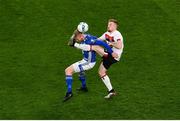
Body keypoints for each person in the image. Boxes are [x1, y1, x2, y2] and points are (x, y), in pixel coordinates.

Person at [74, 19, 124, 99]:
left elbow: (119, 46)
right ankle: (111, 91)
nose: (108, 25)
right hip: (109, 54)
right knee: (101, 72)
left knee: (96, 48)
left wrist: (110, 44)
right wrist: (87, 37)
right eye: (108, 24)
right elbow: (97, 40)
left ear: (115, 26)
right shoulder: (107, 34)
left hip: (114, 56)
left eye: (110, 24)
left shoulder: (117, 34)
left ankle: (88, 61)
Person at [63, 30, 117, 102]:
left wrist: (111, 52)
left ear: (80, 36)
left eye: (77, 39)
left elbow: (95, 45)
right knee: (80, 71)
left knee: (68, 70)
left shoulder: (90, 41)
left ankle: (69, 93)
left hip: (88, 62)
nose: (77, 40)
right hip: (85, 60)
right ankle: (84, 87)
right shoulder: (87, 36)